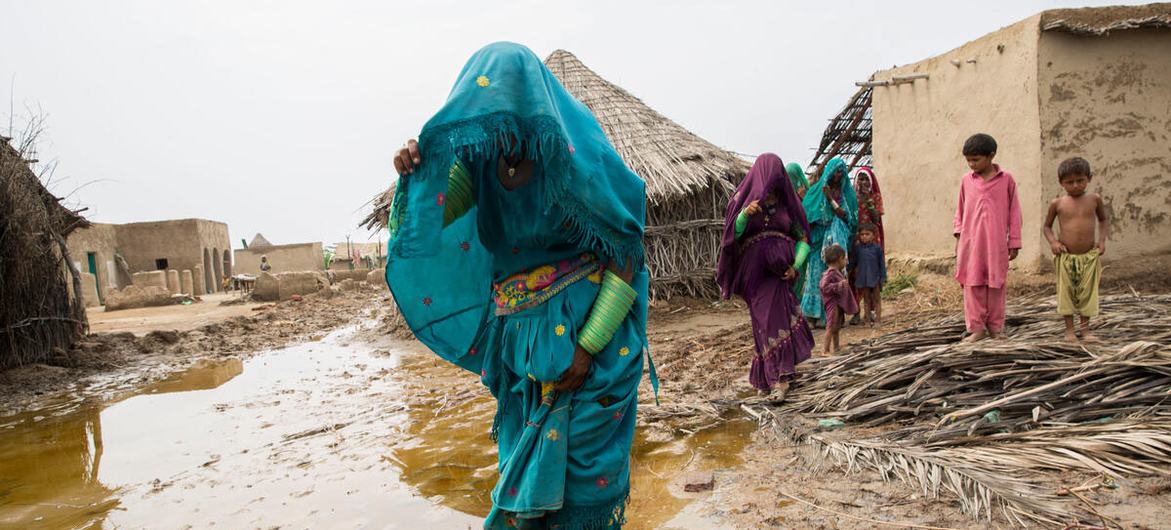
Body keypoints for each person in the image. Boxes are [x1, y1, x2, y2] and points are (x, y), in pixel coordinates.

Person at [386, 42, 651, 530]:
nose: (496, 125)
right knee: (524, 482)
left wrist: (588, 347)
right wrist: (420, 173)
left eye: (504, 110)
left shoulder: (574, 155)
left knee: (579, 492)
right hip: (519, 354)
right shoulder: (480, 167)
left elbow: (626, 251)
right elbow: (427, 223)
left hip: (591, 348)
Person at [717, 153, 814, 396]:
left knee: (775, 319)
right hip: (754, 278)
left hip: (780, 274)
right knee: (763, 321)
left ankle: (778, 379)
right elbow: (731, 237)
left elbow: (803, 238)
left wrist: (797, 265)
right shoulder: (743, 201)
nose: (772, 183)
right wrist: (743, 217)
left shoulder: (788, 205)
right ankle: (771, 377)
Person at [954, 133, 1022, 342]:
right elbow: (960, 210)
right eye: (968, 160)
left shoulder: (1006, 180)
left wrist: (1014, 242)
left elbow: (1014, 212)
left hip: (996, 244)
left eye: (976, 159)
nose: (971, 164)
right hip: (971, 243)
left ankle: (995, 328)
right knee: (972, 285)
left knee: (996, 285)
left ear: (991, 156)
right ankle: (976, 329)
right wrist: (959, 239)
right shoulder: (966, 181)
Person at [1042, 156, 1109, 343]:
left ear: (1089, 178)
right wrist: (1053, 242)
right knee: (1067, 293)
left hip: (1089, 256)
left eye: (1080, 180)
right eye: (1069, 182)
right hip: (1066, 257)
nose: (1076, 185)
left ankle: (1086, 330)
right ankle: (1069, 330)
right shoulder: (1058, 203)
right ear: (1061, 183)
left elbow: (1103, 220)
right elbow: (1046, 227)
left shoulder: (1094, 200)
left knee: (1087, 292)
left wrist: (1101, 241)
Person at [800, 157, 858, 327]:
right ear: (829, 171)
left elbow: (846, 216)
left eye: (841, 171)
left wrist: (830, 199)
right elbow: (806, 216)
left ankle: (832, 317)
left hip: (835, 240)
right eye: (835, 171)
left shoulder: (845, 193)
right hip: (817, 240)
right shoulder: (815, 192)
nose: (838, 175)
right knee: (814, 277)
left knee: (833, 276)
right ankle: (812, 316)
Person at [849, 167, 883, 324]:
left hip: (871, 241)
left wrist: (868, 201)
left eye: (865, 179)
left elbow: (876, 218)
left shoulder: (875, 197)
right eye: (860, 179)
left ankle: (871, 312)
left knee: (872, 276)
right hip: (856, 241)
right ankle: (856, 311)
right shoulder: (851, 198)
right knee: (856, 277)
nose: (863, 182)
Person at [818, 244, 856, 354]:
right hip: (833, 304)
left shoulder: (836, 272)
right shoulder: (830, 273)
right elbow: (823, 286)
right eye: (844, 259)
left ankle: (836, 347)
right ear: (839, 259)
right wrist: (839, 286)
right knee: (830, 326)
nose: (846, 261)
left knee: (836, 326)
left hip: (838, 303)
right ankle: (825, 350)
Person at [850, 222, 886, 326]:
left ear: (873, 235)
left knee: (876, 299)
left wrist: (883, 277)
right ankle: (867, 320)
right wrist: (847, 270)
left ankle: (878, 320)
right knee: (866, 299)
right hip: (863, 277)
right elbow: (853, 262)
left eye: (867, 234)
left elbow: (882, 264)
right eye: (862, 234)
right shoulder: (858, 249)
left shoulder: (877, 248)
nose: (864, 237)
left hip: (875, 277)